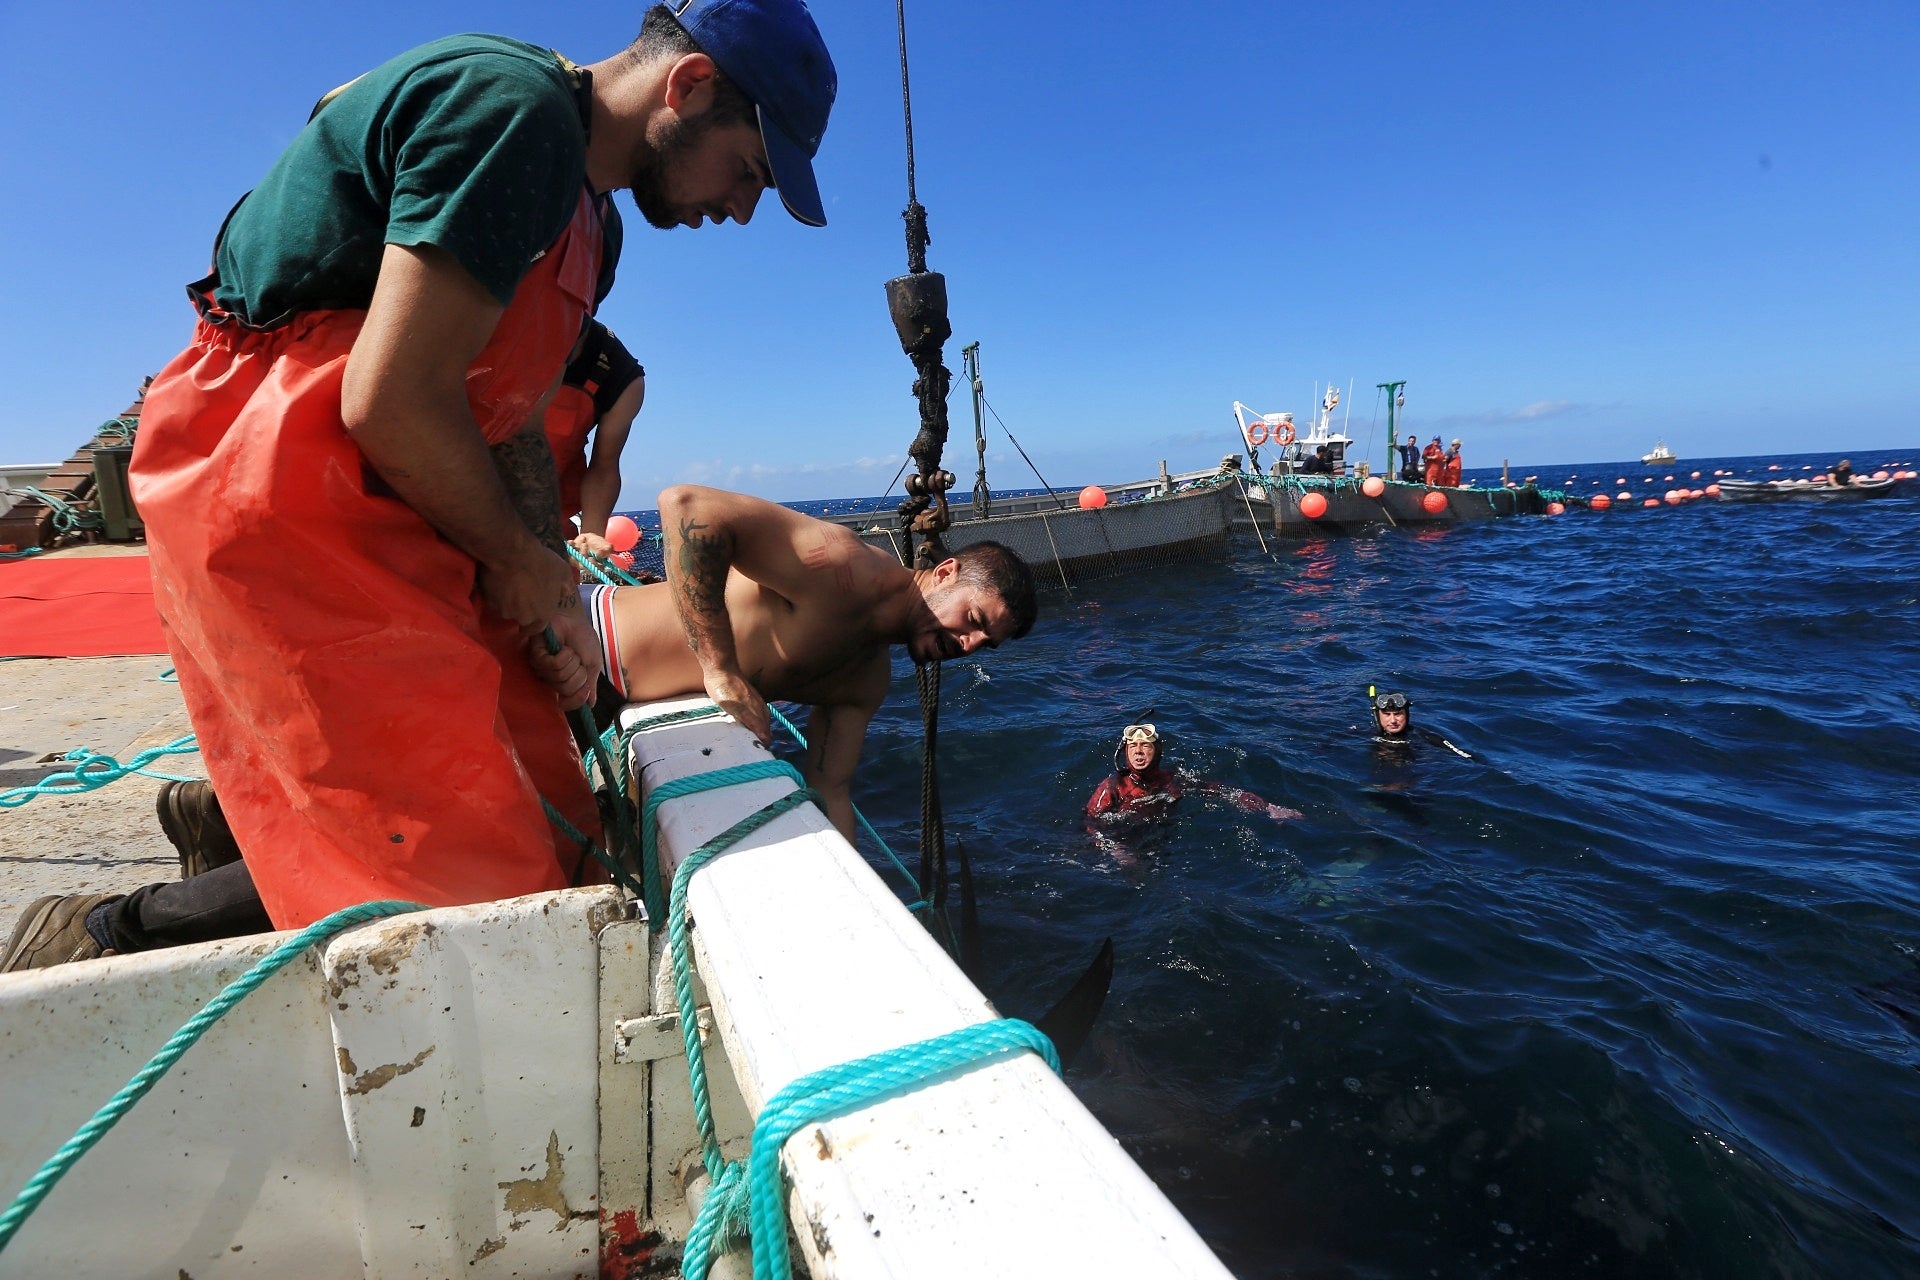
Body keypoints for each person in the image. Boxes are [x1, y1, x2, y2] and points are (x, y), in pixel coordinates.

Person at [5, 1, 841, 968]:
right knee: (463, 885)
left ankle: (219, 833)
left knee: (552, 804)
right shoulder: (512, 111)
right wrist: (515, 562)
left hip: (416, 496)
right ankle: (99, 930)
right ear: (689, 86)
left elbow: (517, 420)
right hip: (278, 482)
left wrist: (552, 592)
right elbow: (391, 399)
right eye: (750, 171)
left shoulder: (596, 223)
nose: (741, 210)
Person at [2, 491, 1036, 971]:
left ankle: (211, 816)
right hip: (556, 654)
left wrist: (852, 917)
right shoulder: (842, 564)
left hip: (607, 710)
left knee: (417, 821)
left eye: (986, 644)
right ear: (943, 573)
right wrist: (720, 663)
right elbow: (687, 511)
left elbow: (838, 792)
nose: (968, 643)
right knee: (416, 847)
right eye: (973, 617)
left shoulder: (865, 677)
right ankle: (112, 926)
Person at [548, 320, 646, 555]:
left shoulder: (619, 373)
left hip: (548, 518)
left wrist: (590, 533)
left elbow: (604, 465)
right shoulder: (484, 320)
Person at [1084, 723, 1300, 824]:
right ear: (1125, 753)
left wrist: (1267, 807)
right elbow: (1090, 825)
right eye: (1133, 747)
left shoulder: (1170, 779)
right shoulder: (1113, 786)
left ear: (1157, 752)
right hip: (1120, 842)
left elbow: (1217, 790)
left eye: (1145, 746)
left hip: (1159, 837)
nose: (1139, 751)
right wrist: (1118, 851)